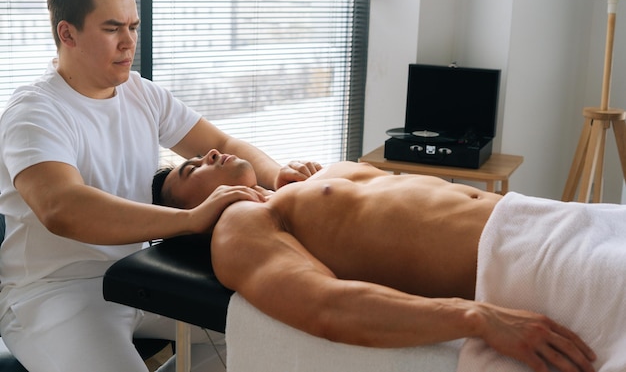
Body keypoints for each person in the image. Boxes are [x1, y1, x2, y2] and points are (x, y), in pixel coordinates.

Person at [0, 0, 320, 372]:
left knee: (273, 337)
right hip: (52, 293)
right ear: (68, 33)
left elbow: (222, 144)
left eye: (133, 26)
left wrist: (279, 177)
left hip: (137, 276)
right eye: (112, 28)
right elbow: (62, 207)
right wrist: (189, 219)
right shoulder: (34, 111)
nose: (128, 42)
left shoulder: (141, 93)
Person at [152, 149, 607, 372]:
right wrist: (476, 317)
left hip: (568, 219)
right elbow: (326, 305)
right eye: (192, 169)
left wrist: (303, 182)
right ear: (189, 213)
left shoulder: (290, 187)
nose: (207, 154)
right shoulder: (239, 225)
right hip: (538, 259)